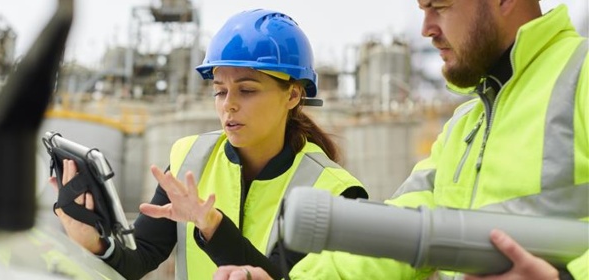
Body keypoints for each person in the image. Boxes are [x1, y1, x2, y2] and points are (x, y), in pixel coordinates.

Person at [214, 0, 588, 279]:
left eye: (439, 6)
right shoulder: (465, 127)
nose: (426, 28)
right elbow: (397, 235)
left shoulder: (580, 76)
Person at [50, 9, 368, 280]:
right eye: (219, 91)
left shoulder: (335, 192)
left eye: (247, 90)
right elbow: (139, 258)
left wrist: (212, 226)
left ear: (293, 95)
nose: (228, 105)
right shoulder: (191, 159)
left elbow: (277, 275)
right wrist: (96, 244)